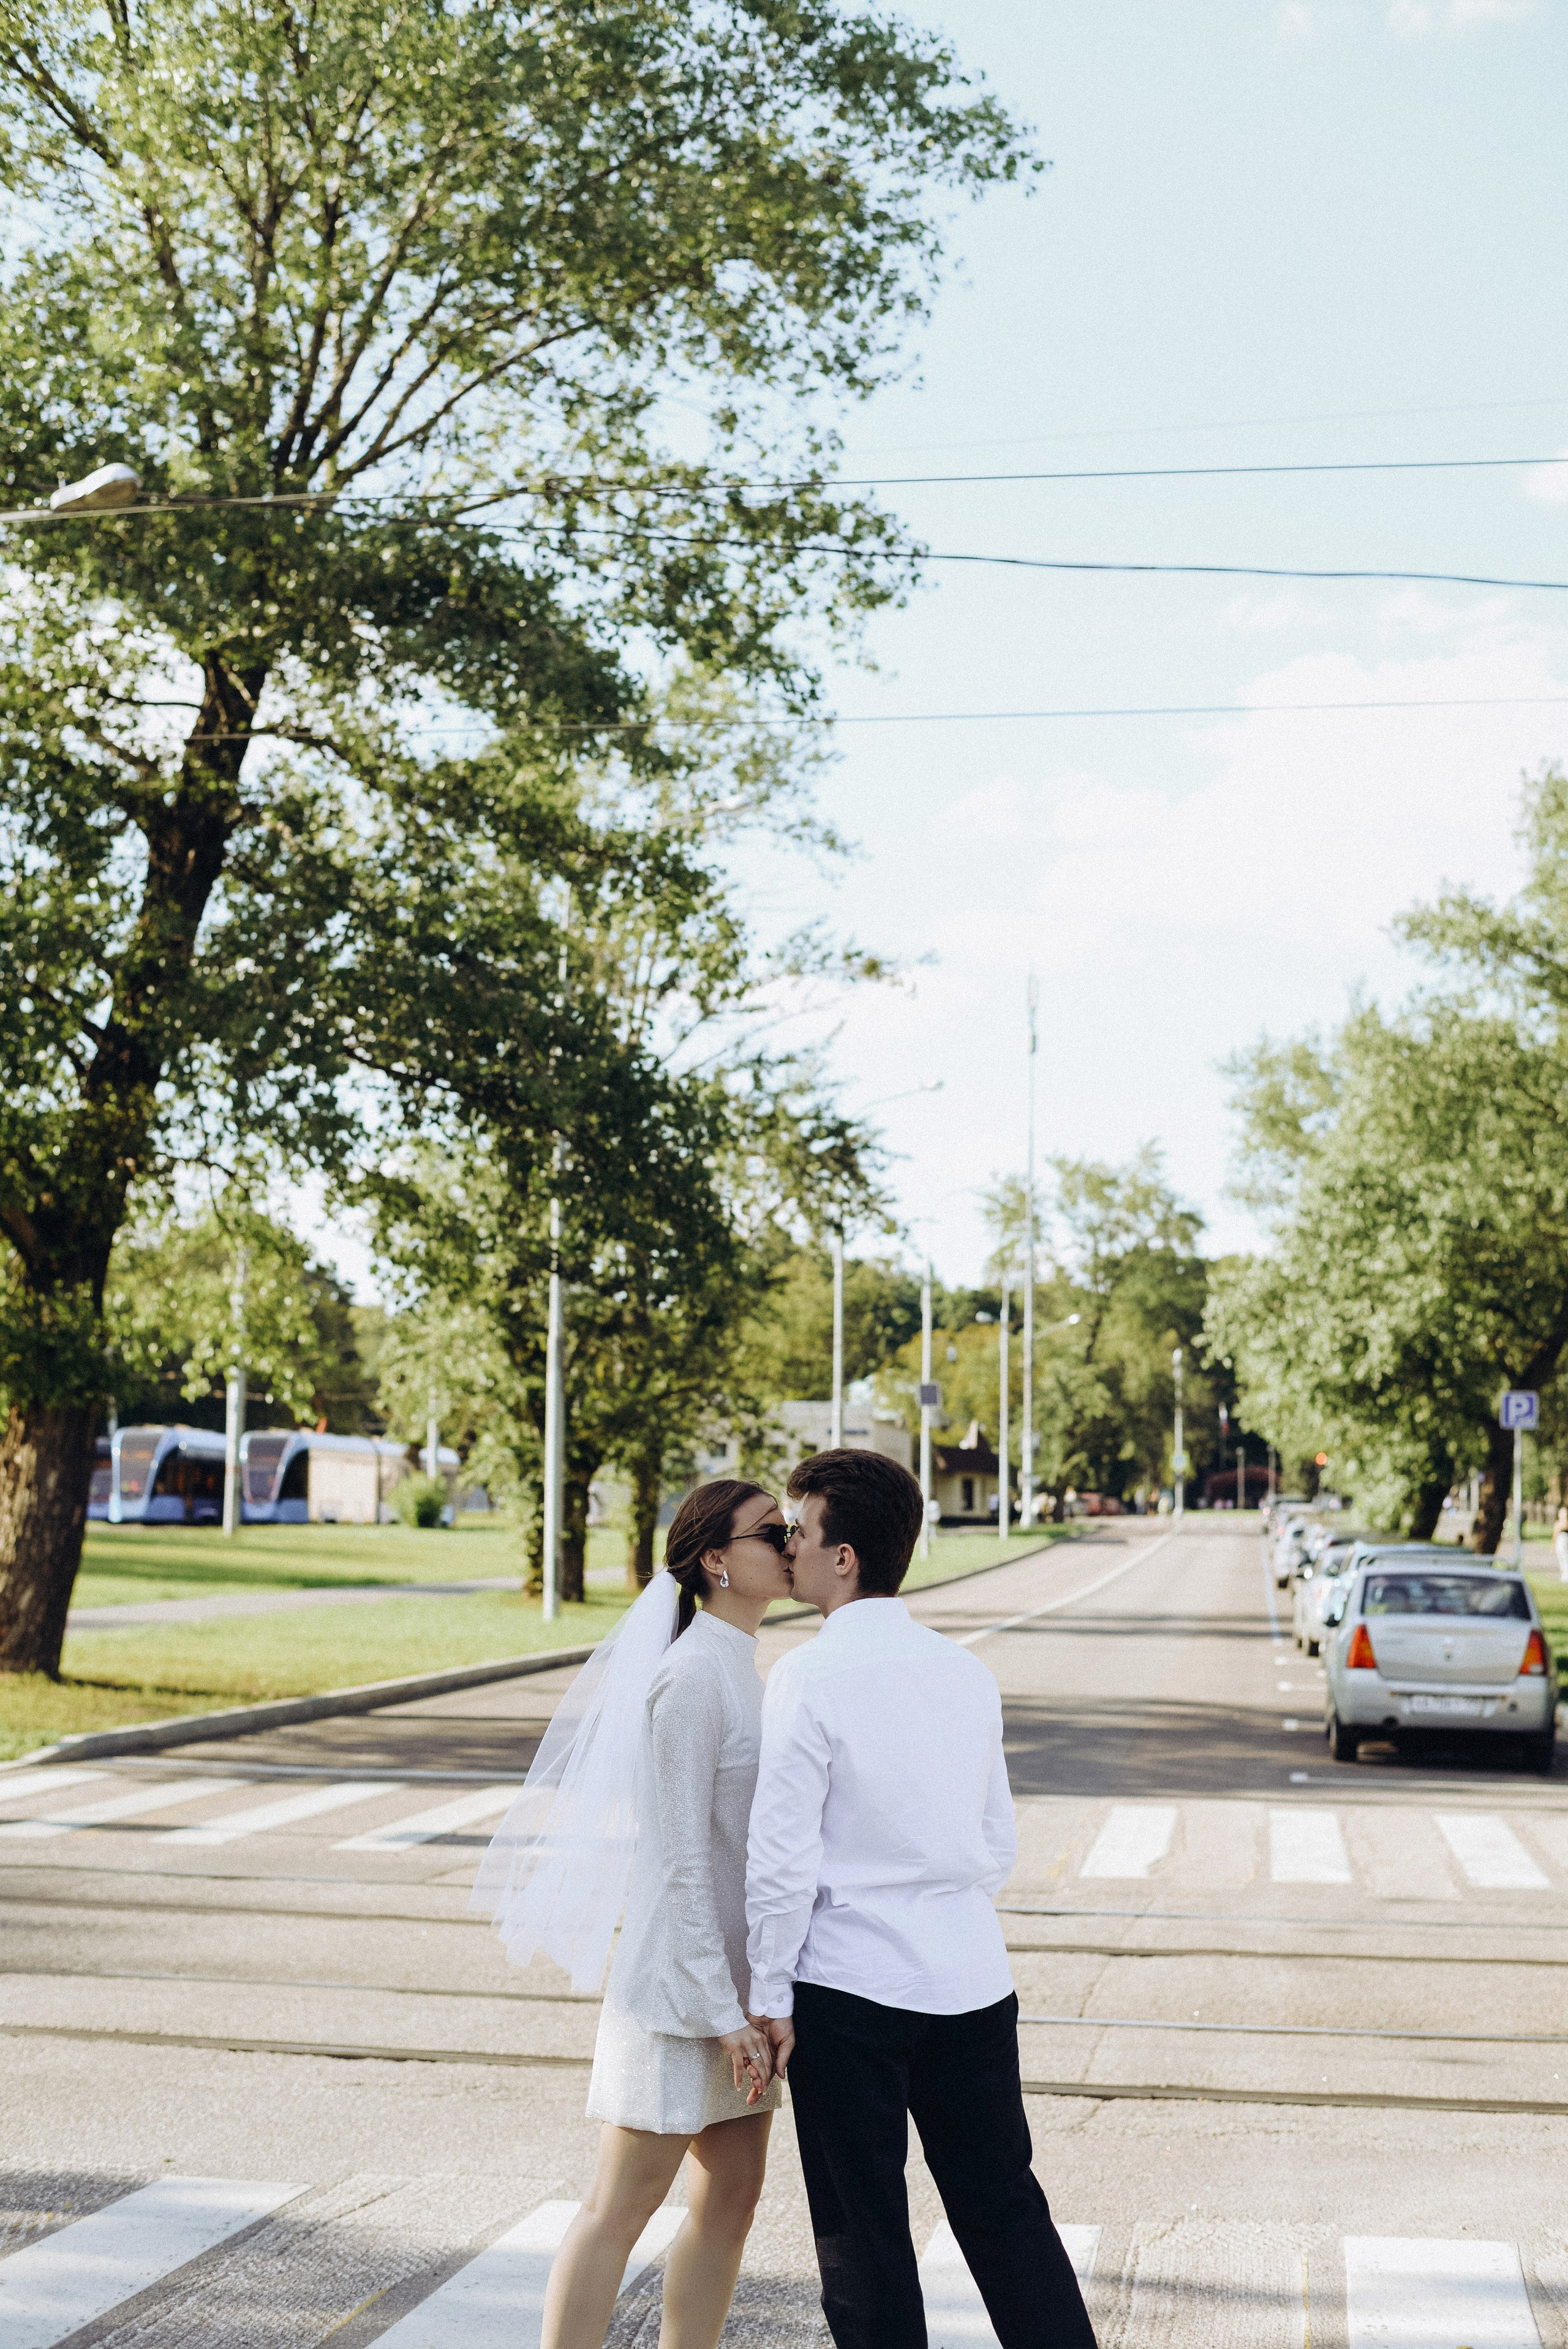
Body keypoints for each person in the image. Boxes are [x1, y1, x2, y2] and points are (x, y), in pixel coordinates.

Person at [746, 1448, 1097, 2349]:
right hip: (971, 1981)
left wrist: (770, 1991)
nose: (786, 1544)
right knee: (1006, 2211)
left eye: (799, 1527)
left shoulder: (807, 1676)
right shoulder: (965, 1672)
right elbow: (995, 1842)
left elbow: (783, 1857)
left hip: (849, 1986)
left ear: (844, 1556)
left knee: (863, 2229)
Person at [472, 1480, 794, 2349]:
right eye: (774, 1530)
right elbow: (680, 1860)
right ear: (717, 1559)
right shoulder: (690, 1678)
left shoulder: (740, 1665)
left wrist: (757, 1992)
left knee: (734, 2196)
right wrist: (725, 2012)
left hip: (732, 1993)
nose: (792, 1540)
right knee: (618, 2207)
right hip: (678, 1998)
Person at [1555, 1502, 1568, 1582]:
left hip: (1565, 1540)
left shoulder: (1565, 1523)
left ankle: (1566, 1574)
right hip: (1560, 1541)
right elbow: (1555, 1533)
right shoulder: (1558, 1522)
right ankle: (1564, 1574)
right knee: (1561, 1557)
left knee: (1565, 1557)